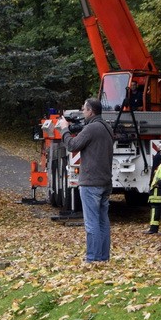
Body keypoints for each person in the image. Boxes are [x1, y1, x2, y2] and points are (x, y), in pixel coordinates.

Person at [56, 98, 113, 262]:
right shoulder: (107, 127)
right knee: (103, 221)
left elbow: (72, 145)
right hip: (105, 181)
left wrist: (65, 130)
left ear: (91, 111)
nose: (82, 111)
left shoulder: (92, 128)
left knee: (91, 223)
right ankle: (103, 257)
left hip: (91, 181)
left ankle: (93, 257)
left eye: (84, 109)